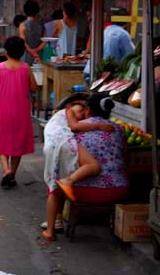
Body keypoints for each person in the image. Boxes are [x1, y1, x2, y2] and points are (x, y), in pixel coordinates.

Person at [42, 93, 129, 241]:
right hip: (119, 189)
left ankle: (54, 223)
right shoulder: (118, 129)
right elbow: (126, 157)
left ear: (88, 110)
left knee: (60, 180)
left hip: (81, 193)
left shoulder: (75, 133)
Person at [0, 36, 38, 189]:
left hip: (3, 110)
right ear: (22, 52)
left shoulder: (0, 67)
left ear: (6, 51)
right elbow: (34, 88)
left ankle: (6, 170)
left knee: (1, 141)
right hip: (21, 111)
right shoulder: (26, 68)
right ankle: (13, 175)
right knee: (18, 144)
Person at [19, 0, 46, 64]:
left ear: (25, 10)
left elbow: (23, 43)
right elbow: (45, 41)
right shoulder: (42, 25)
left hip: (27, 56)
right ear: (37, 10)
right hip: (39, 55)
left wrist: (31, 52)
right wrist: (36, 51)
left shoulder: (22, 25)